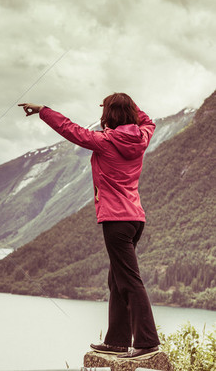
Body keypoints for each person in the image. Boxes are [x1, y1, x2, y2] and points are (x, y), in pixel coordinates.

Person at [18, 93, 160, 360]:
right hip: (135, 219)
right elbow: (148, 120)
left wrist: (43, 110)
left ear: (110, 116)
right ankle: (117, 341)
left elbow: (71, 130)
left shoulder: (105, 142)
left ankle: (147, 342)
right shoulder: (142, 136)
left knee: (129, 281)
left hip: (116, 221)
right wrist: (128, 107)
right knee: (117, 280)